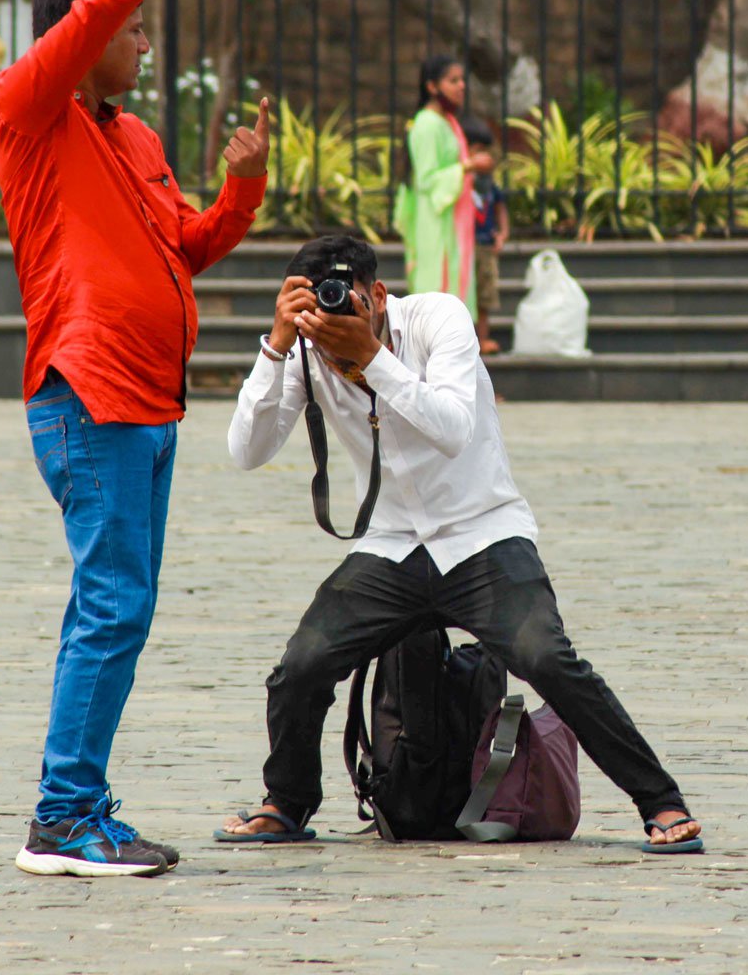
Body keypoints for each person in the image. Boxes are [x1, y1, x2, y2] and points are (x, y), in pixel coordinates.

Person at [215, 235, 704, 855]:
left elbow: (452, 427)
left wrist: (371, 358)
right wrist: (278, 346)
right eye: (315, 306)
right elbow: (246, 451)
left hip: (482, 534)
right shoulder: (305, 352)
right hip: (392, 545)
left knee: (549, 659)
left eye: (345, 299)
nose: (332, 317)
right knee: (301, 667)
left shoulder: (439, 318)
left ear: (378, 295)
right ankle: (286, 803)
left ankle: (660, 802)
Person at [0, 0, 271, 878]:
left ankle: (75, 805)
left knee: (115, 610)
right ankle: (63, 817)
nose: (144, 45)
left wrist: (242, 188)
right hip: (89, 394)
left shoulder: (138, 139)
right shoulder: (27, 106)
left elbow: (185, 247)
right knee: (112, 608)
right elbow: (105, 0)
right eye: (135, 30)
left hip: (150, 403)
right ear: (90, 32)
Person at [394, 56, 493, 316]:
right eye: (453, 80)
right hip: (434, 223)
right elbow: (427, 179)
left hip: (451, 220)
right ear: (432, 86)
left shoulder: (447, 122)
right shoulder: (427, 124)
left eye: (462, 80)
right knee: (436, 294)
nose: (462, 86)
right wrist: (469, 166)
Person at [461, 116, 509, 356]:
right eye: (477, 150)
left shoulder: (488, 185)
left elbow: (500, 208)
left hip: (484, 245)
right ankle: (465, 339)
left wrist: (502, 234)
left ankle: (482, 338)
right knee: (464, 293)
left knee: (484, 295)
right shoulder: (460, 181)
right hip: (464, 246)